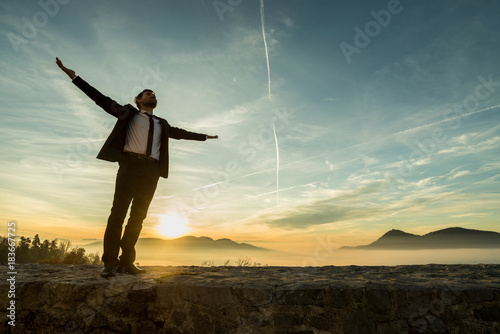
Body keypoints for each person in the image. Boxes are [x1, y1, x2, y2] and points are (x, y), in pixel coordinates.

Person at [56, 58, 218, 278]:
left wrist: (203, 137)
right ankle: (110, 263)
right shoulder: (129, 113)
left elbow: (180, 133)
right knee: (118, 215)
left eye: (154, 94)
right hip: (130, 166)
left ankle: (127, 262)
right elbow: (102, 100)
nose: (152, 95)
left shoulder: (162, 123)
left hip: (152, 172)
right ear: (139, 100)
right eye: (147, 93)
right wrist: (74, 77)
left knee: (138, 218)